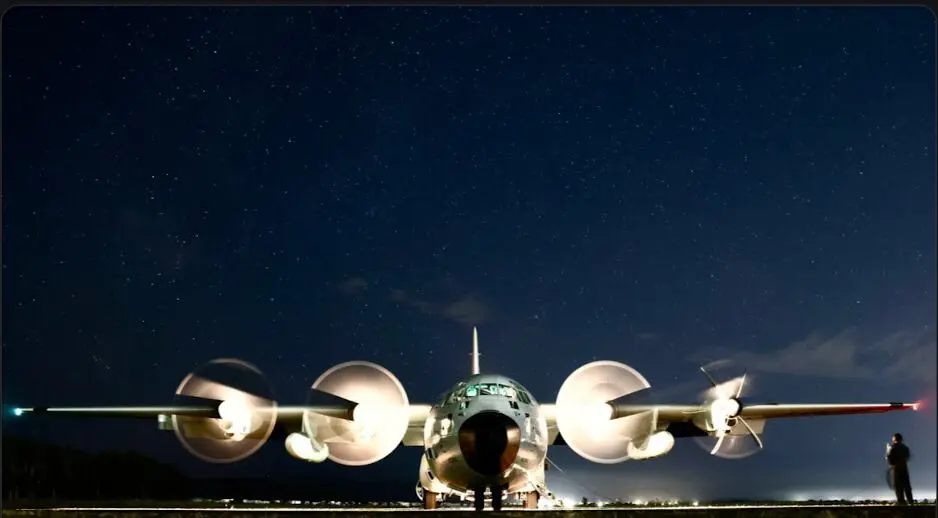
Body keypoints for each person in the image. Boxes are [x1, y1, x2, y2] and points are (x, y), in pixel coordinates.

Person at [886, 433, 913, 505]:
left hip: (897, 469)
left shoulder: (893, 448)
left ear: (894, 439)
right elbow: (907, 457)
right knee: (906, 485)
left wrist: (888, 451)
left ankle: (901, 502)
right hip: (904, 468)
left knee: (898, 486)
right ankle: (910, 501)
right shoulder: (905, 448)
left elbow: (890, 461)